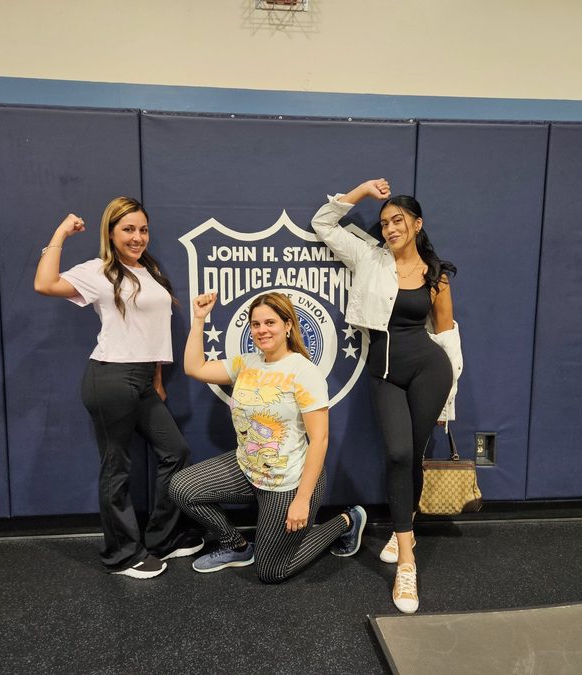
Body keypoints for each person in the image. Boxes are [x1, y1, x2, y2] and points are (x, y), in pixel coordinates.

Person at [311, 179, 463, 613]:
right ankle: (407, 554)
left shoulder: (436, 274)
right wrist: (359, 192)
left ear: (417, 224)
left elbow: (447, 335)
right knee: (398, 454)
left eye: (399, 220)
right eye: (384, 223)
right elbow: (323, 222)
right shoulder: (368, 258)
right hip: (384, 373)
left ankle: (405, 547)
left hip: (429, 370)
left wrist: (449, 398)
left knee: (412, 456)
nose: (391, 228)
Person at [34, 197, 203, 579]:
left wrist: (157, 380)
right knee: (117, 467)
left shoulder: (150, 269)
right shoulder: (99, 272)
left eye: (143, 229)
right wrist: (60, 233)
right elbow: (44, 284)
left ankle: (160, 538)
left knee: (175, 451)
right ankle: (122, 554)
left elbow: (154, 332)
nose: (137, 237)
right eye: (128, 229)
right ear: (110, 233)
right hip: (110, 378)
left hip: (142, 379)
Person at [169, 291, 366, 583]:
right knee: (182, 487)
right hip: (248, 468)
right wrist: (199, 319)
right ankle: (236, 545)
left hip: (288, 481)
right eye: (256, 324)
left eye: (270, 322)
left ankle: (346, 521)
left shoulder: (304, 372)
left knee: (272, 571)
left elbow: (320, 440)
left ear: (288, 326)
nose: (262, 330)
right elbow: (194, 368)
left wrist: (302, 499)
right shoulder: (245, 363)